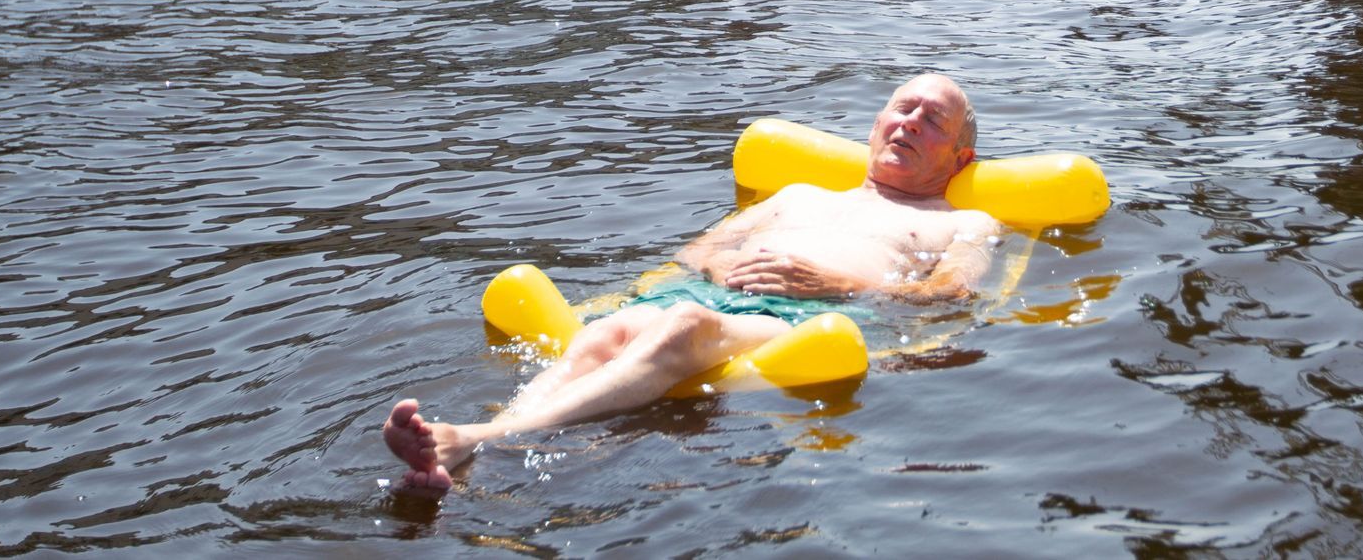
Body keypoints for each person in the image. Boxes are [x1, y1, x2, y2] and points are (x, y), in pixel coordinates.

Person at [380, 74, 1001, 496]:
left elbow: (952, 294)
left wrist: (833, 283)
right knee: (610, 330)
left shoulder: (963, 221)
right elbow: (698, 251)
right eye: (902, 108)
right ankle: (458, 452)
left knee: (684, 325)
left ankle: (478, 437)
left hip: (809, 314)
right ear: (875, 123)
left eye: (932, 120)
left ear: (960, 159)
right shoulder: (798, 195)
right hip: (721, 296)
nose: (909, 123)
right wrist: (719, 269)